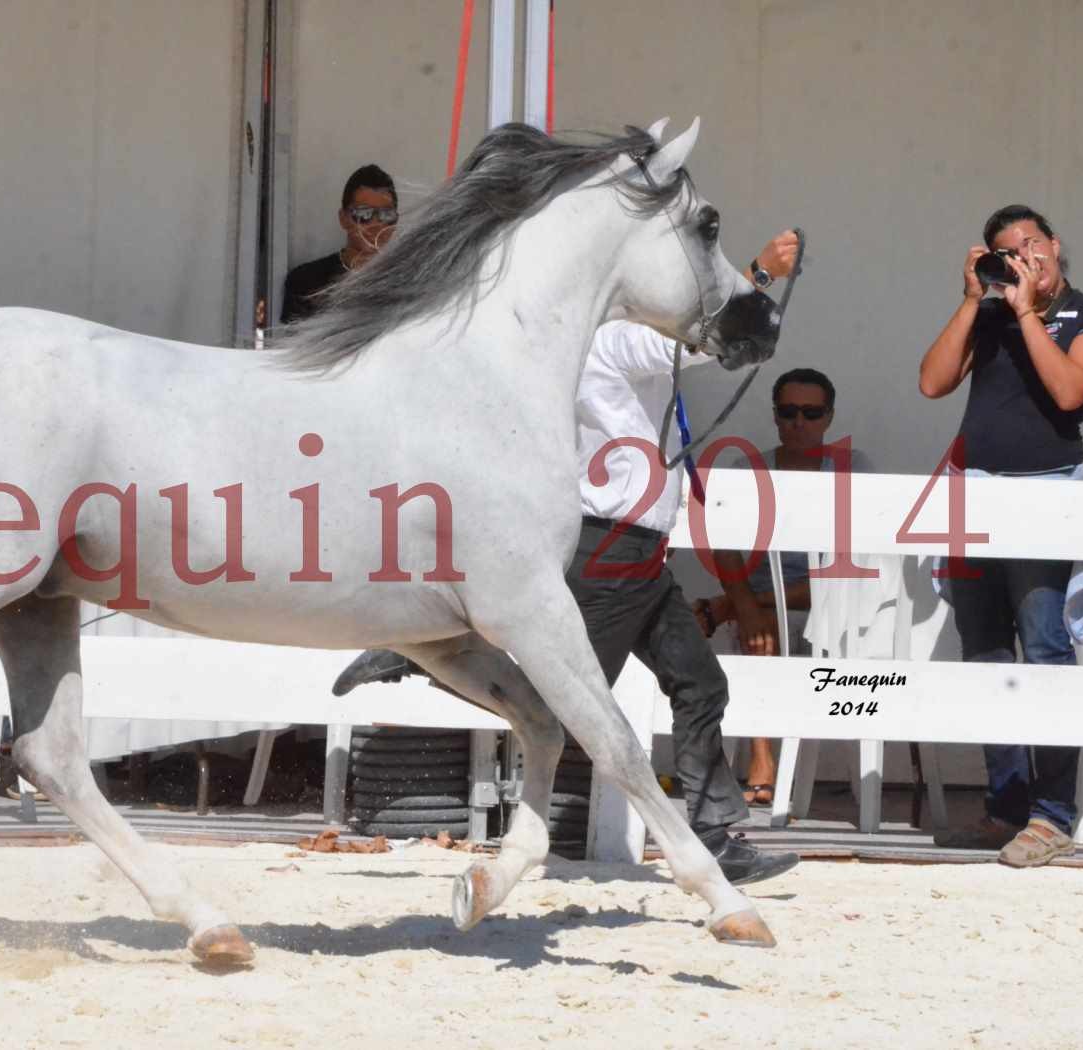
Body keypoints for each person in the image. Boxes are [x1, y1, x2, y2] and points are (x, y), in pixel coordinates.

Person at [335, 233, 805, 886]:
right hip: (612, 548)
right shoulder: (613, 338)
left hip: (637, 552)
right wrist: (759, 273)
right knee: (565, 708)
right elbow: (695, 346)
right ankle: (418, 655)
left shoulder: (601, 340)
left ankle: (716, 833)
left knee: (699, 684)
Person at [918, 204, 1083, 867]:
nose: (1022, 258)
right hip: (976, 493)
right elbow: (931, 383)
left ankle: (1051, 813)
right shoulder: (990, 313)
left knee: (1043, 647)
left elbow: (1068, 392)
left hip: (1048, 492)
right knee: (983, 651)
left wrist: (1029, 311)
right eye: (1006, 252)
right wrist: (973, 298)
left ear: (1055, 246)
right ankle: (1005, 805)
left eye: (1030, 244)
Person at [692, 368, 875, 805]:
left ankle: (727, 609)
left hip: (830, 599)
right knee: (762, 627)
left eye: (811, 413)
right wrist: (750, 608)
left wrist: (736, 606)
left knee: (815, 589)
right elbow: (725, 549)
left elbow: (855, 565)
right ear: (775, 416)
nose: (799, 422)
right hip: (765, 609)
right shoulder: (748, 469)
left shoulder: (852, 467)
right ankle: (761, 756)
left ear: (829, 417)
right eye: (788, 411)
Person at [280, 164, 398, 324]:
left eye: (386, 214)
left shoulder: (409, 281)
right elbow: (293, 346)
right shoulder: (307, 282)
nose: (376, 223)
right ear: (343, 218)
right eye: (364, 214)